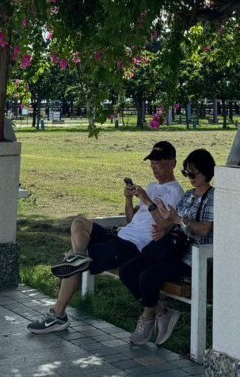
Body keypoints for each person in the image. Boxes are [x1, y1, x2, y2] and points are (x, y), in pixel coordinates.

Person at [26, 140, 183, 336]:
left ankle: (58, 314)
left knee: (73, 261)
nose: (154, 169)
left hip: (132, 247)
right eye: (152, 164)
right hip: (120, 235)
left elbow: (165, 225)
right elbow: (130, 220)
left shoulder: (176, 193)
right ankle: (78, 256)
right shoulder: (151, 187)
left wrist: (147, 201)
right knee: (79, 222)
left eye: (159, 164)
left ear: (173, 163)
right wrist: (128, 199)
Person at [118, 148, 215, 346]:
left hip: (192, 259)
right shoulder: (188, 196)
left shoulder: (213, 197)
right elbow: (172, 223)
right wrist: (165, 225)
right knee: (128, 270)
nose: (189, 177)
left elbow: (205, 230)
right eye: (186, 172)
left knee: (148, 276)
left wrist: (179, 221)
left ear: (206, 172)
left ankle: (147, 317)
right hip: (172, 250)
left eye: (193, 173)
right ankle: (161, 312)